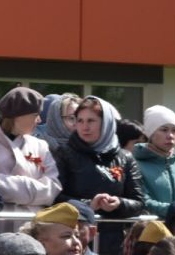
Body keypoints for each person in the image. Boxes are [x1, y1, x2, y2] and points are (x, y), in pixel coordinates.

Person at [56, 97, 144, 231]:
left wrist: (119, 203)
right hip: (76, 234)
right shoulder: (64, 153)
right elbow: (55, 197)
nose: (85, 127)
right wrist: (89, 204)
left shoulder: (125, 157)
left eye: (91, 121)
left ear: (106, 123)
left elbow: (139, 203)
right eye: (80, 121)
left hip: (114, 237)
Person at [0, 87, 57, 211]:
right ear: (19, 116)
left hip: (32, 225)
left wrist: (8, 186)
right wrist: (34, 186)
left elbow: (53, 187)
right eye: (35, 115)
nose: (39, 120)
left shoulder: (40, 145)